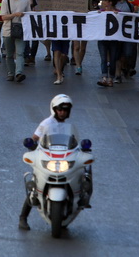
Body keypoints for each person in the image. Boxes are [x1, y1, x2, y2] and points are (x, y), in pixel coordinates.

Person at [19, 95, 90, 229]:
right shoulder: (46, 123)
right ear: (54, 109)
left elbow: (74, 142)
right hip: (48, 159)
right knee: (35, 187)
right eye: (60, 109)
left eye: (65, 110)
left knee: (83, 171)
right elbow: (35, 138)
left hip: (64, 158)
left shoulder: (69, 126)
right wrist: (32, 144)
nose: (62, 112)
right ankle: (23, 217)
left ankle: (82, 195)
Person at [1, 0, 31, 82]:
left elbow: (29, 15)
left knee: (20, 52)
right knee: (9, 54)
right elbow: (3, 17)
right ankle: (10, 73)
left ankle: (19, 73)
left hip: (20, 29)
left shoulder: (25, 1)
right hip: (8, 29)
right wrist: (15, 14)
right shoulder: (5, 1)